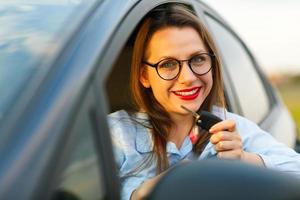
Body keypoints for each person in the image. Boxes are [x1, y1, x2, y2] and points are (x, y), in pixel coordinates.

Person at [108, 4, 300, 200]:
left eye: (198, 59)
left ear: (212, 64)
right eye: (168, 64)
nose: (188, 77)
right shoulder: (114, 133)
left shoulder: (231, 128)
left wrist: (244, 158)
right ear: (144, 76)